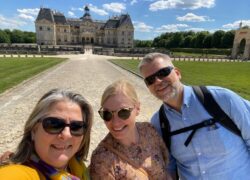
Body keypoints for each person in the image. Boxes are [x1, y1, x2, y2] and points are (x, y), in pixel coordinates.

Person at [138, 52, 250, 179]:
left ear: (177, 73)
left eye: (163, 72)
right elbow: (170, 167)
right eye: (150, 80)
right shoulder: (158, 122)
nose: (157, 81)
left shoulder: (222, 99)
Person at [0, 89, 93, 180]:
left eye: (76, 127)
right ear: (33, 130)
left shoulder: (77, 166)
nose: (67, 134)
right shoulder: (16, 174)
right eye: (54, 124)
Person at [89, 79, 172, 179]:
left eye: (123, 112)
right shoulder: (101, 160)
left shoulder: (149, 130)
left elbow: (168, 163)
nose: (115, 123)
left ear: (137, 108)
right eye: (107, 114)